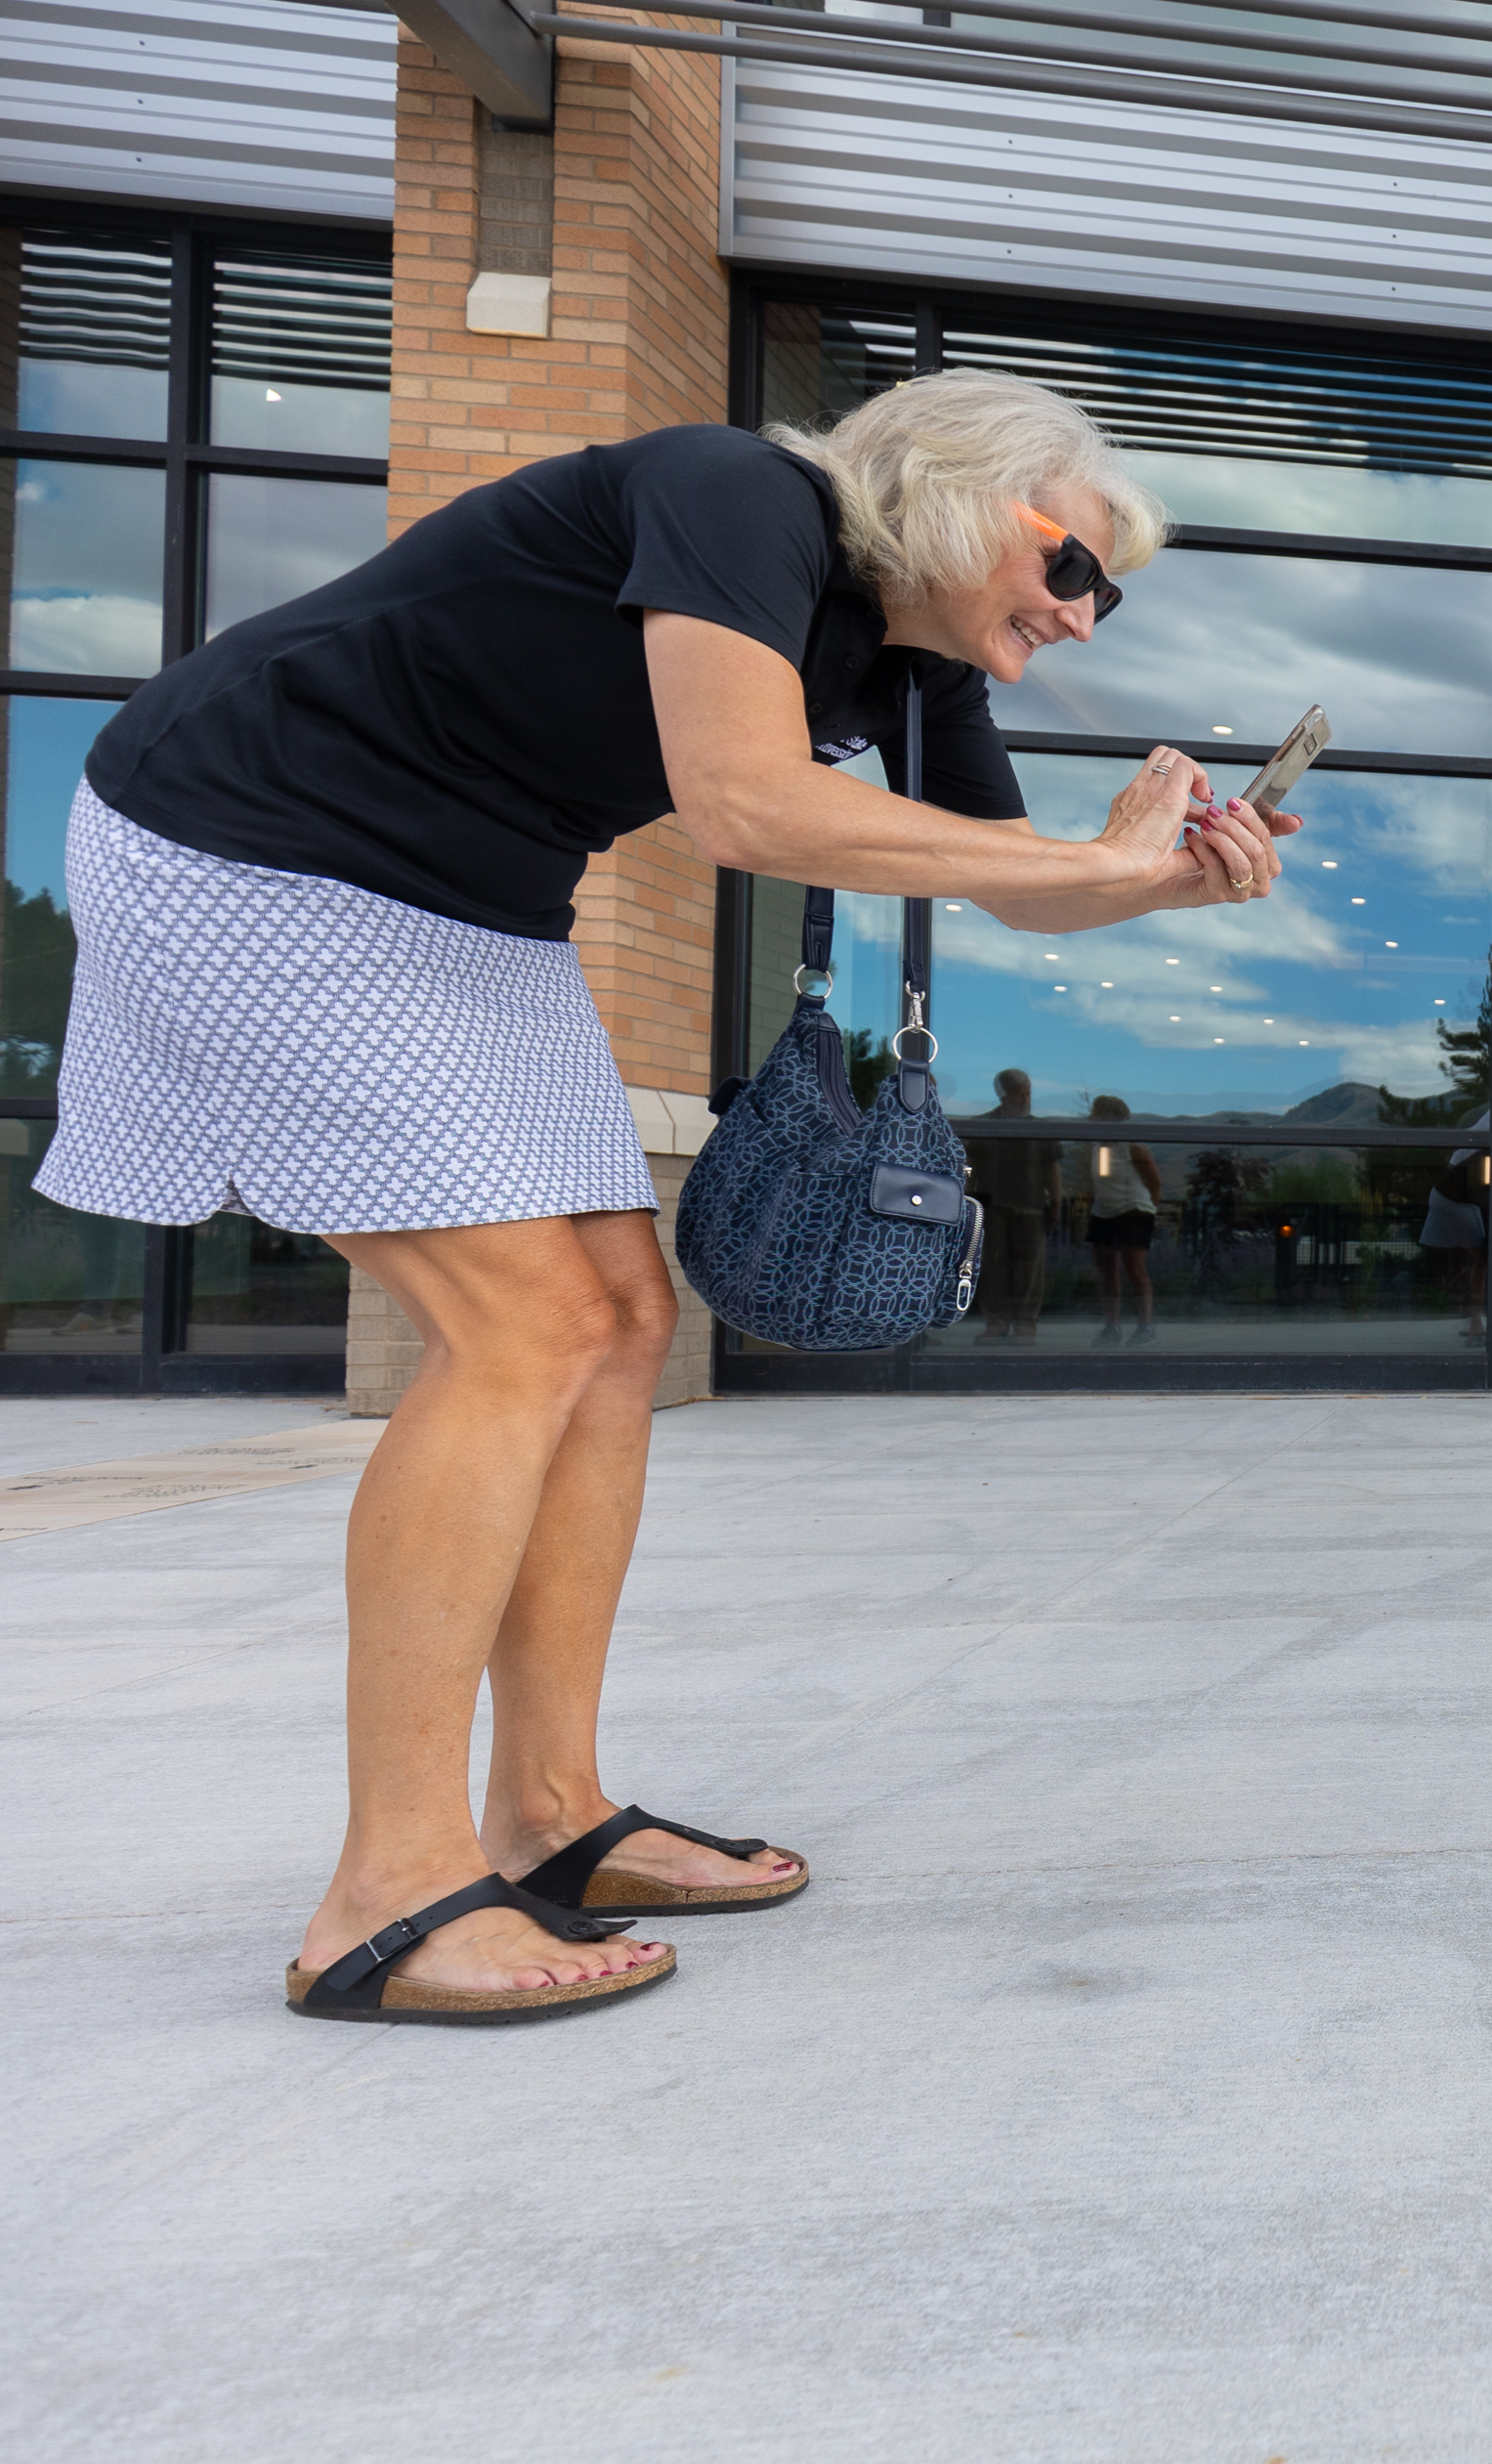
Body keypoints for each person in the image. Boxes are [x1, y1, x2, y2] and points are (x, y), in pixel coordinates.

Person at [36, 371, 1302, 2026]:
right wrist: (1089, 861)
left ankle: (551, 1819)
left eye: (1104, 594)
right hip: (263, 841)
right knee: (528, 1327)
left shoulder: (915, 663)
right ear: (962, 491)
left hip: (470, 905)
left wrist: (1153, 878)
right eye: (1075, 570)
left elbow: (1020, 897)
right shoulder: (739, 496)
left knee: (624, 1319)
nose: (1082, 618)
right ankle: (388, 1892)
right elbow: (745, 801)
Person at [972, 1068, 1058, 1343]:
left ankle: (1026, 1324)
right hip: (993, 1206)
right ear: (1004, 1095)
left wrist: (1056, 1201)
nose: (1025, 1099)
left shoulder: (1040, 1129)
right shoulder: (983, 1127)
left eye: (1028, 1093)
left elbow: (1051, 1169)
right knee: (994, 1268)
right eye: (1020, 1094)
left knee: (1030, 1270)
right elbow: (969, 1171)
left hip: (1031, 1206)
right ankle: (996, 1321)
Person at [1081, 1093, 1162, 1345]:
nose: (1091, 1119)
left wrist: (1150, 1211)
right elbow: (1104, 1177)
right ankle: (1112, 1325)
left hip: (1133, 1210)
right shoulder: (1101, 1148)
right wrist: (1095, 1197)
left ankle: (1146, 1325)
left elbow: (1153, 1181)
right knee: (1107, 1269)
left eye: (1096, 1114)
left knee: (1134, 1268)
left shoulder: (1133, 1146)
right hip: (1105, 1212)